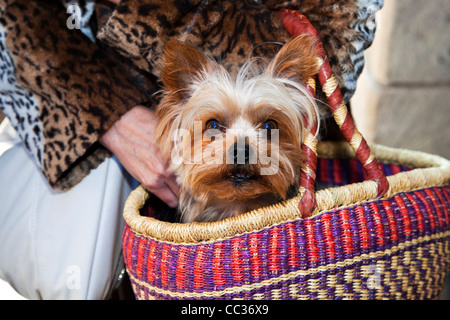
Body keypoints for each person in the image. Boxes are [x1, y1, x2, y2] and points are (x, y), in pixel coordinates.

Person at [0, 0, 382, 299]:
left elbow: (332, 40)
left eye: (268, 127)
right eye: (215, 127)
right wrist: (109, 115)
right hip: (102, 134)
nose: (243, 149)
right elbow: (17, 22)